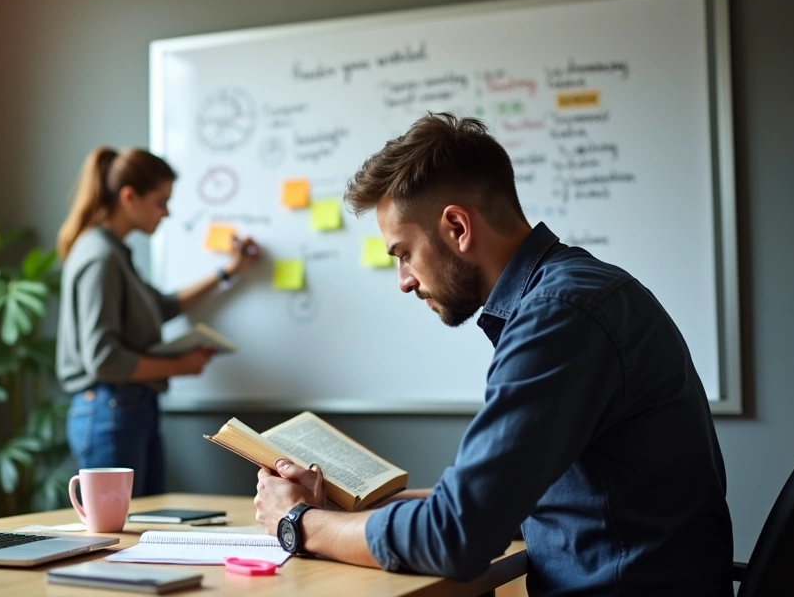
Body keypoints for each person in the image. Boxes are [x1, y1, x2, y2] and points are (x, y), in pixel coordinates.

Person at [252, 113, 733, 595]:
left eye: (403, 253)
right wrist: (345, 515)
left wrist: (298, 522)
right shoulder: (577, 291)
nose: (405, 281)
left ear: (457, 226)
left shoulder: (558, 316)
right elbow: (499, 503)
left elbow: (456, 536)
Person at [57, 146, 257, 497]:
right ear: (129, 197)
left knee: (142, 523)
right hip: (110, 411)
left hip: (126, 408)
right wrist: (179, 366)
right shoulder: (101, 258)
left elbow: (161, 306)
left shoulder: (115, 253)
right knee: (123, 527)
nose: (166, 212)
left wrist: (228, 272)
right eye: (161, 202)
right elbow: (104, 359)